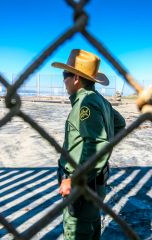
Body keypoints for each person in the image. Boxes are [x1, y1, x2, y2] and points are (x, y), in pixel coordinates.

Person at [52, 49, 126, 239]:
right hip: (95, 181)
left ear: (76, 77)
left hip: (83, 185)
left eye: (65, 75)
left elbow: (96, 145)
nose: (63, 80)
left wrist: (73, 178)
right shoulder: (100, 100)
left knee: (77, 228)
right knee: (92, 224)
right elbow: (119, 124)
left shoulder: (85, 103)